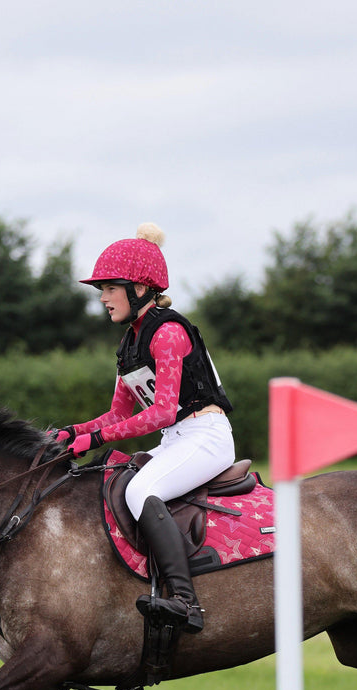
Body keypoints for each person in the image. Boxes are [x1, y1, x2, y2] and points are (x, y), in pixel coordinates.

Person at [53, 223, 234, 633]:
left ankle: (186, 602)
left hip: (206, 435)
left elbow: (163, 412)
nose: (101, 298)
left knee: (141, 490)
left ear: (138, 288)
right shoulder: (129, 344)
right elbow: (117, 414)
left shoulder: (168, 333)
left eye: (108, 288)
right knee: (109, 482)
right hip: (177, 440)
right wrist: (70, 432)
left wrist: (94, 439)